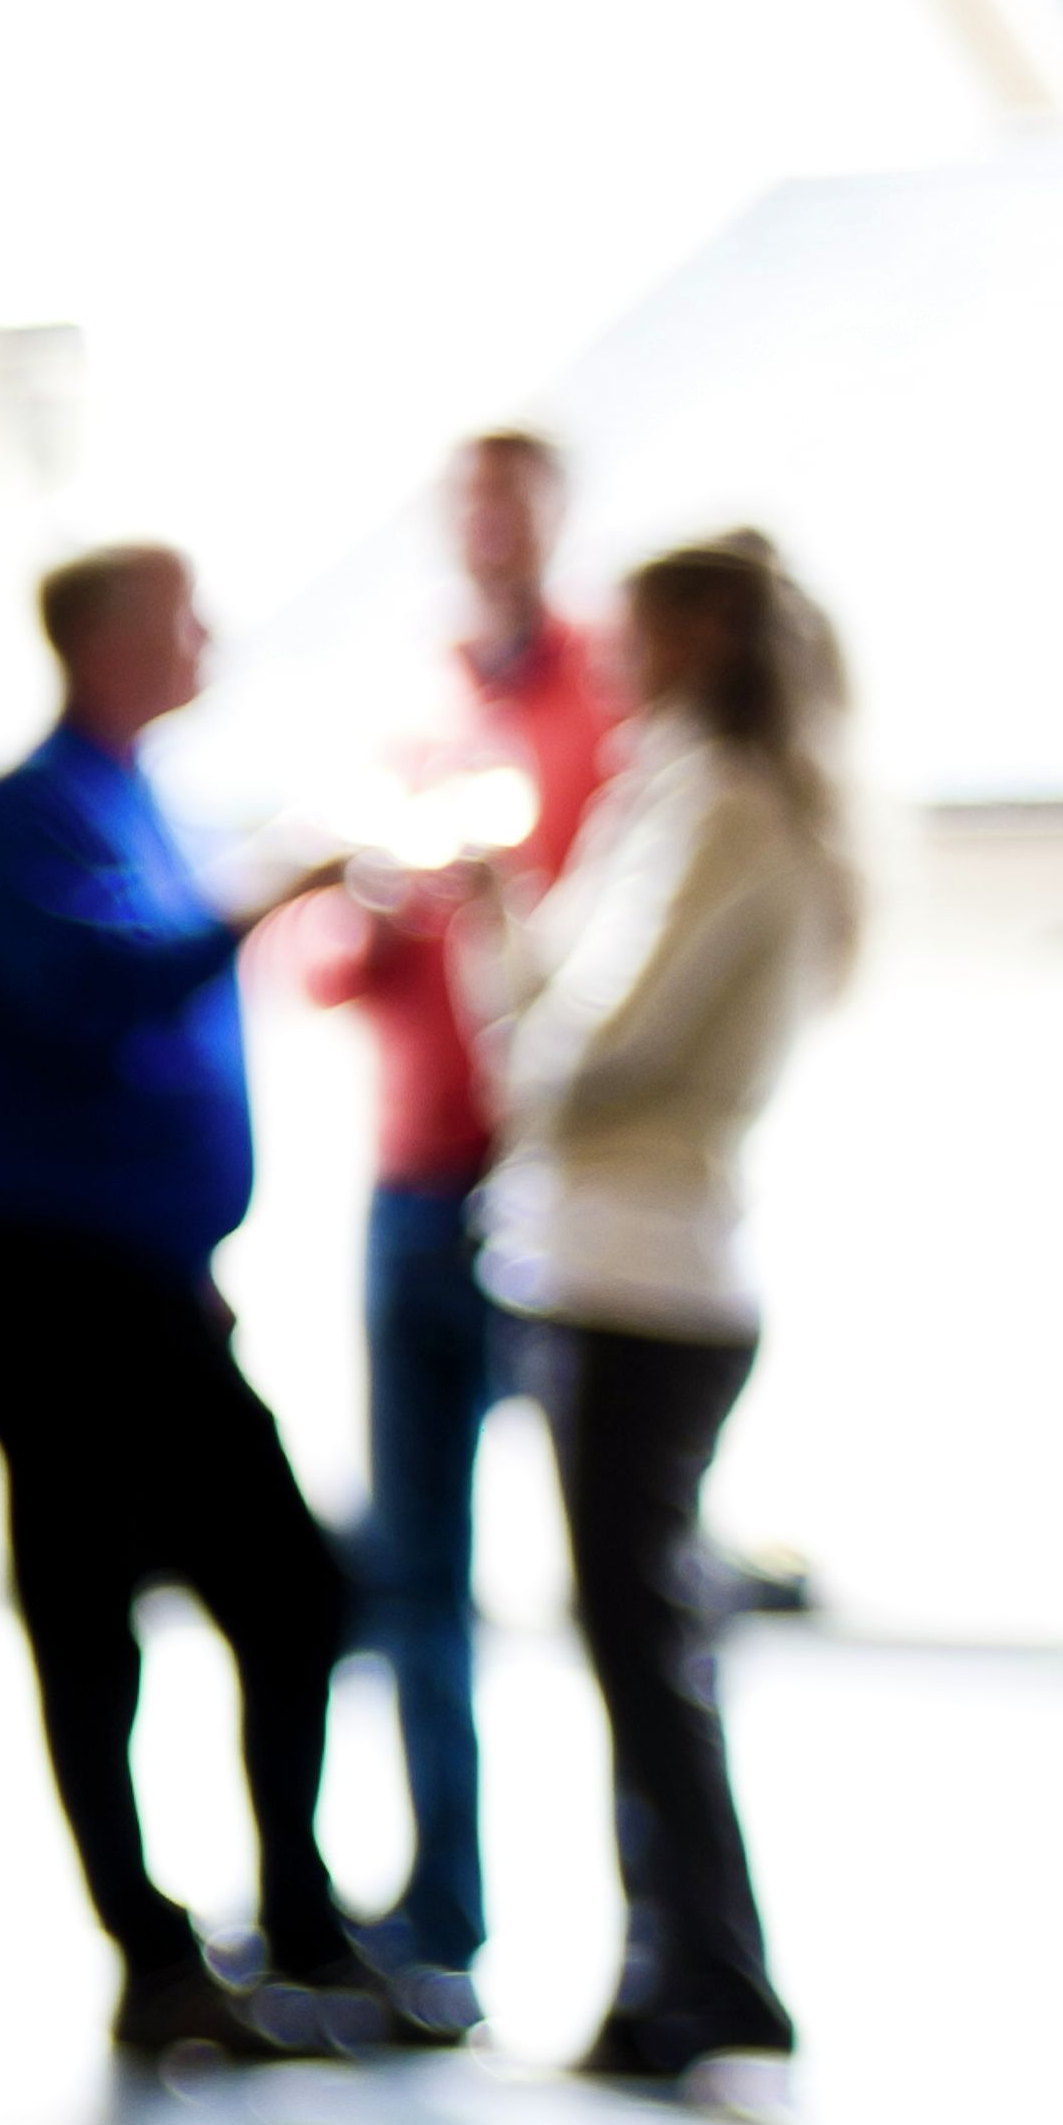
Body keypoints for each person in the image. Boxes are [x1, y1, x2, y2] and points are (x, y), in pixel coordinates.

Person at [0, 545, 390, 2058]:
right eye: (185, 617)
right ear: (113, 641)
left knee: (281, 1590)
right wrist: (265, 894)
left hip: (137, 1278)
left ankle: (289, 1932)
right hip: (46, 1280)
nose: (210, 641)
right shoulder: (18, 817)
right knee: (99, 1611)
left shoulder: (142, 807)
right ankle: (161, 1956)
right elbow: (85, 995)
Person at [469, 529, 858, 2104]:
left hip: (648, 1273)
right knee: (639, 1638)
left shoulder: (728, 810)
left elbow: (586, 1047)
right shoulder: (675, 796)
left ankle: (707, 1982)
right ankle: (681, 1973)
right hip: (613, 1262)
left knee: (645, 1644)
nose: (609, 659)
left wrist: (511, 989)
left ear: (695, 635)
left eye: (632, 632)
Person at [298, 430, 618, 2004]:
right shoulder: (418, 715)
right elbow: (324, 965)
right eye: (468, 510)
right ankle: (439, 1924)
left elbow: (606, 971)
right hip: (411, 1181)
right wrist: (364, 910)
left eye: (515, 509)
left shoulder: (609, 709)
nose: (489, 536)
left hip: (555, 1186)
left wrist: (504, 902)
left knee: (618, 1575)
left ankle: (659, 1954)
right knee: (415, 1569)